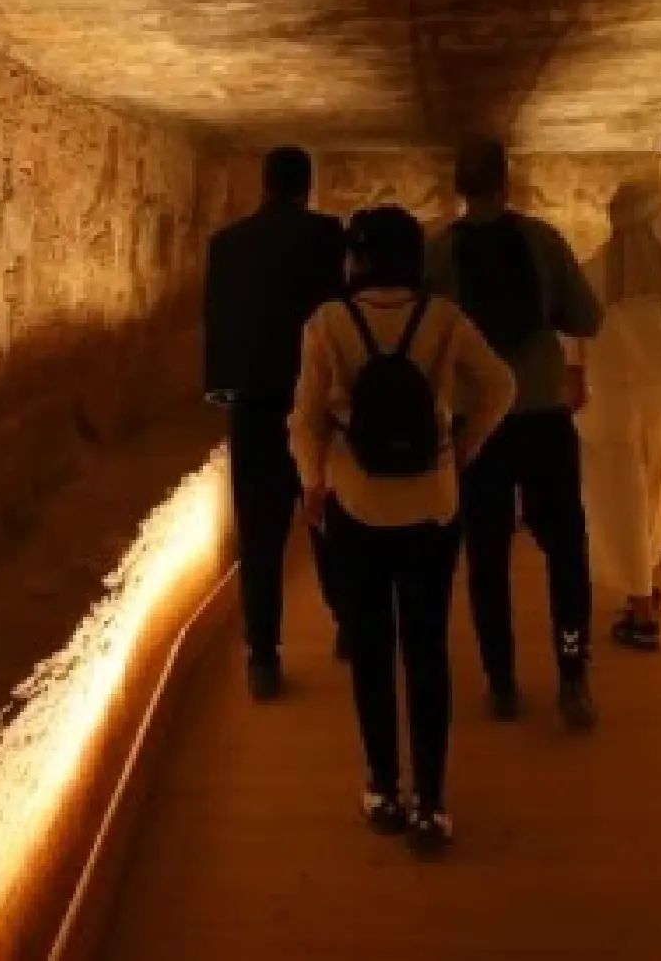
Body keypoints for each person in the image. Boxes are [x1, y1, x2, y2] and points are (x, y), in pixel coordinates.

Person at [290, 206, 515, 854]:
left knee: (370, 647)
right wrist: (464, 443)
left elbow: (305, 418)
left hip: (356, 502)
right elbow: (499, 383)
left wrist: (313, 482)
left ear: (356, 257)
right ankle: (434, 801)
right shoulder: (442, 318)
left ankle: (383, 787)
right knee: (426, 648)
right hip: (431, 503)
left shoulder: (329, 323)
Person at [427, 138, 604, 728]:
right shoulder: (542, 240)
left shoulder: (441, 253)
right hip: (541, 410)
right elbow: (587, 317)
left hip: (475, 419)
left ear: (459, 187)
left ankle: (501, 681)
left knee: (485, 551)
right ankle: (573, 673)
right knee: (565, 545)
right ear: (507, 183)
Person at [203, 146, 348, 701]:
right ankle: (349, 626)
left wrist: (222, 388)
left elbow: (217, 321)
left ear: (264, 185)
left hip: (256, 404)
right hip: (315, 403)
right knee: (328, 518)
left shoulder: (229, 244)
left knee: (259, 535)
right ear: (306, 186)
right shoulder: (328, 237)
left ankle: (262, 655)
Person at [569, 177, 661, 651]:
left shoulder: (586, 279)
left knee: (621, 511)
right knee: (654, 507)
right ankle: (642, 602)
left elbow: (573, 363)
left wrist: (584, 410)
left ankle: (641, 606)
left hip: (607, 407)